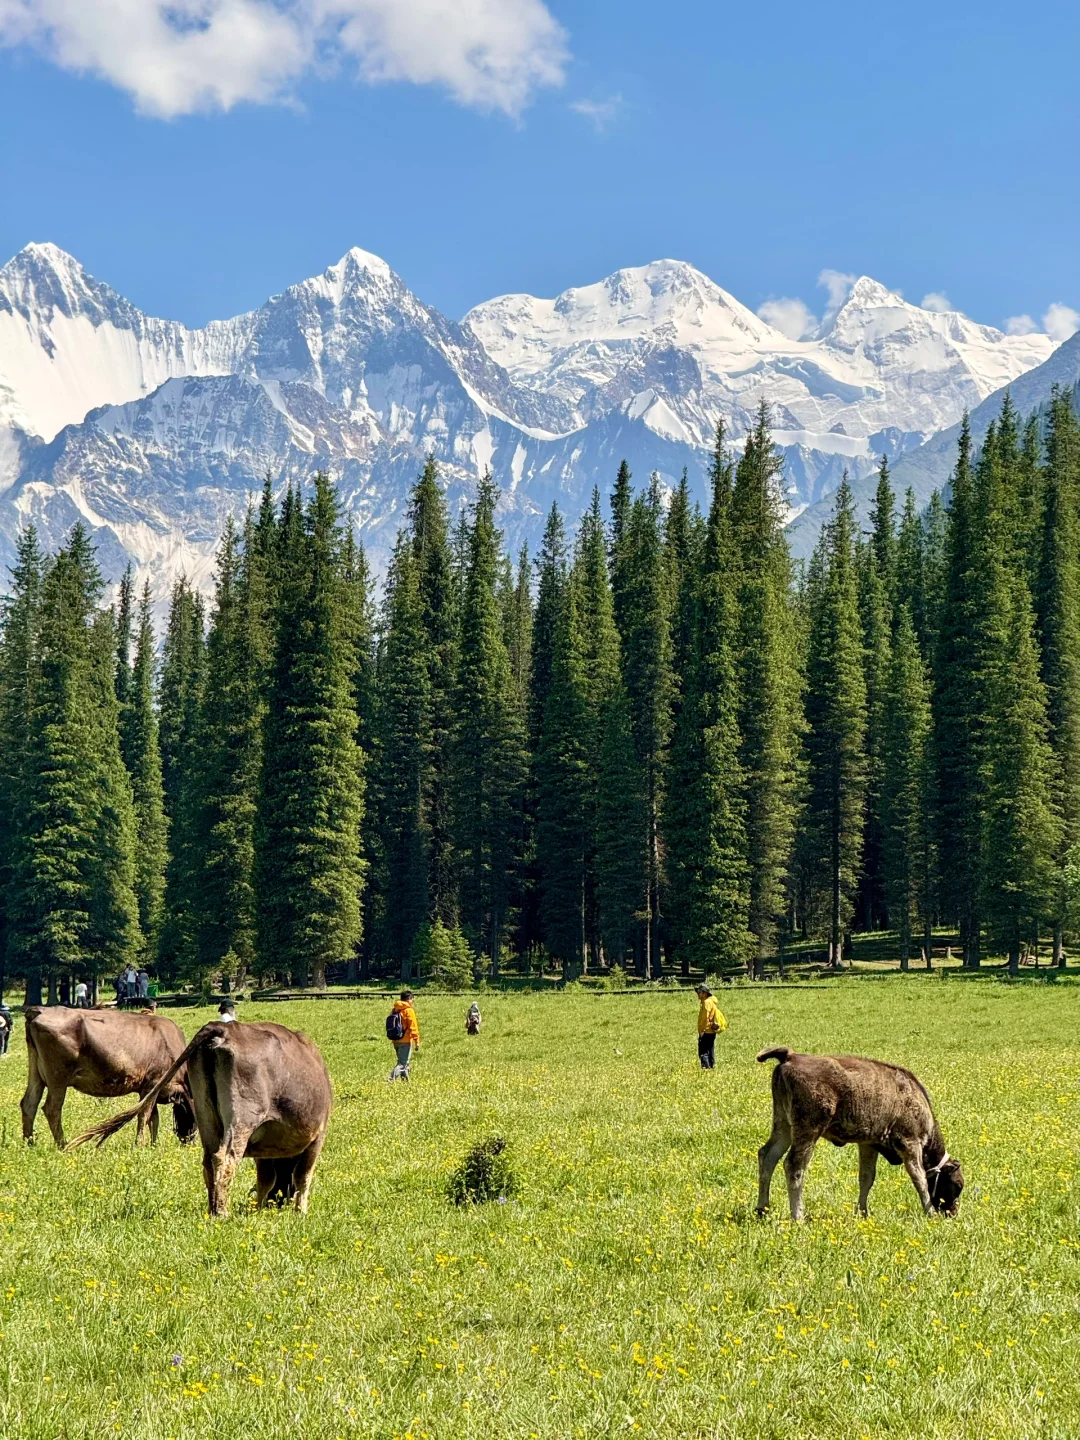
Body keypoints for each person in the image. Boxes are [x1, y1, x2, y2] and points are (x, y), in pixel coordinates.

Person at [388, 989, 419, 1080]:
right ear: (409, 999)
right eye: (412, 999)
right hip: (405, 1041)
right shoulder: (409, 1010)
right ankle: (389, 1080)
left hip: (395, 1040)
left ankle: (405, 1082)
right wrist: (416, 1041)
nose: (412, 1001)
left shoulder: (395, 1009)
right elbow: (413, 1026)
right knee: (402, 1064)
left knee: (404, 1063)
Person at [695, 984, 727, 1069]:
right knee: (710, 1049)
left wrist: (702, 1030)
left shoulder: (707, 1002)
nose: (697, 994)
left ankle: (706, 1068)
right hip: (711, 1031)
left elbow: (705, 1017)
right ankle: (711, 1066)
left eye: (699, 992)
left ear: (705, 993)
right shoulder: (710, 1001)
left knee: (703, 1051)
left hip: (706, 1031)